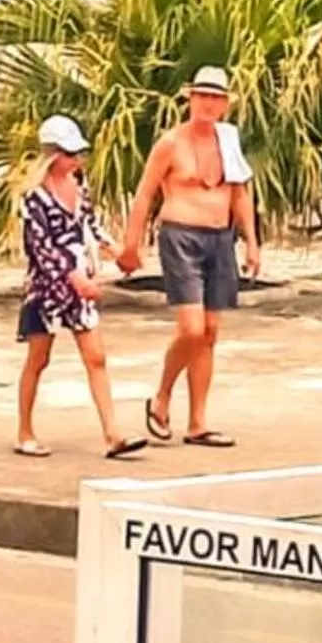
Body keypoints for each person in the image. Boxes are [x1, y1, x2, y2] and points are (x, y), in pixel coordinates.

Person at [119, 66, 260, 448]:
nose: (207, 103)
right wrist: (131, 245)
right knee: (191, 330)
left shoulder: (228, 140)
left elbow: (239, 193)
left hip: (220, 238)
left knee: (210, 333)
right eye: (201, 96)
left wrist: (251, 241)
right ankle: (162, 397)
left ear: (225, 104)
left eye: (215, 97)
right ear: (190, 98)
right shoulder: (170, 142)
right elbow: (146, 193)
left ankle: (197, 423)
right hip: (181, 235)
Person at [16, 116, 146, 461]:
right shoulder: (34, 199)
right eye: (70, 153)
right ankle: (25, 431)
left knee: (96, 357)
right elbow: (41, 249)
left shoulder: (79, 185)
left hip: (81, 285)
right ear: (53, 154)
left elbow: (90, 225)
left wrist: (117, 251)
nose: (76, 160)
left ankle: (113, 434)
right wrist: (75, 279)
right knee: (38, 359)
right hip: (48, 291)